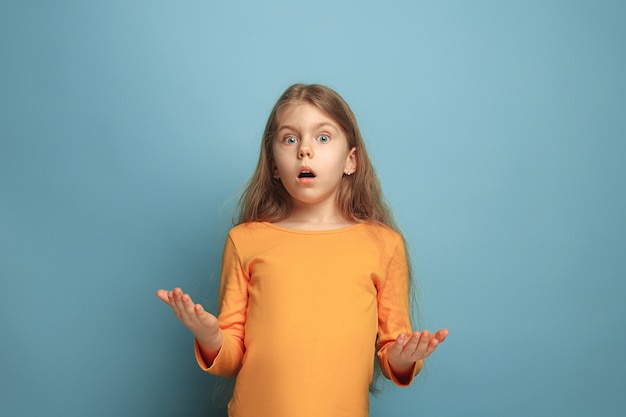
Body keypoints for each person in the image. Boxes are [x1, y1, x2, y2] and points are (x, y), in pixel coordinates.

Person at [156, 83, 448, 417]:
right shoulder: (245, 240)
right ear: (275, 166)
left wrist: (406, 356)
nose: (304, 150)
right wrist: (210, 338)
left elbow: (391, 350)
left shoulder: (384, 245)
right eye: (290, 139)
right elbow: (231, 357)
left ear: (350, 160)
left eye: (322, 137)